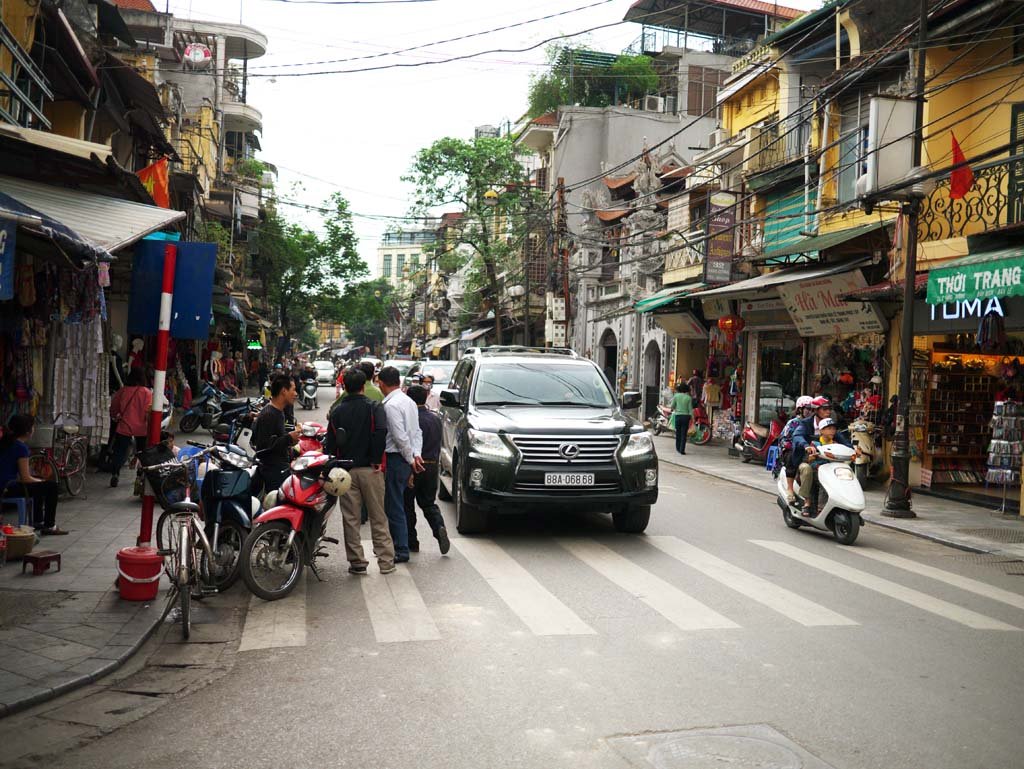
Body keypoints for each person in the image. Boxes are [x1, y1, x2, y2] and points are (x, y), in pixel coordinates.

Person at [325, 368, 395, 575]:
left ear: (345, 387)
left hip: (345, 471)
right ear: (363, 386)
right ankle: (386, 562)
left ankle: (357, 562)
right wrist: (376, 459)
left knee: (351, 518)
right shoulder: (374, 407)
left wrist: (333, 463)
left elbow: (330, 441)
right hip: (371, 469)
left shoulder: (337, 412)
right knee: (378, 517)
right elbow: (381, 431)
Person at [378, 365, 423, 563]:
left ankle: (401, 549)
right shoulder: (409, 402)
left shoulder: (391, 405)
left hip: (397, 458)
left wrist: (411, 458)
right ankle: (398, 545)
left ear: (381, 383)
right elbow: (416, 432)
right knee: (398, 504)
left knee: (394, 505)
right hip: (406, 457)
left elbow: (400, 437)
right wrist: (416, 455)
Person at [0, 415, 68, 535]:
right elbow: (25, 478)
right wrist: (40, 481)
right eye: (33, 426)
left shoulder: (5, 442)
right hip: (7, 488)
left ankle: (38, 521)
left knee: (38, 486)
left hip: (4, 485)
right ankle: (49, 525)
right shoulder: (21, 448)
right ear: (28, 431)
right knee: (51, 486)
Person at [403, 384, 450, 555]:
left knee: (407, 505)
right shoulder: (435, 418)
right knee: (428, 503)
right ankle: (439, 528)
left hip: (415, 465)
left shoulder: (411, 419)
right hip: (432, 466)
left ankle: (411, 541)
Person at [797, 417, 857, 515]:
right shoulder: (814, 444)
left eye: (833, 429)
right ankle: (812, 505)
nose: (832, 431)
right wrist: (811, 456)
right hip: (816, 470)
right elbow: (807, 459)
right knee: (824, 483)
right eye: (829, 428)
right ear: (821, 430)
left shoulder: (837, 445)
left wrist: (855, 452)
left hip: (832, 471)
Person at [252, 373, 301, 494]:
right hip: (272, 472)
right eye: (293, 390)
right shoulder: (269, 414)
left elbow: (276, 438)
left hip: (279, 468)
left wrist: (291, 439)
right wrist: (289, 438)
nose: (296, 394)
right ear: (284, 391)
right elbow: (263, 446)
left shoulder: (279, 412)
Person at [108, 369, 153, 488]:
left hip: (124, 426)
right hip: (141, 428)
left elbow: (114, 407)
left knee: (119, 451)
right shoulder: (147, 392)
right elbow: (148, 412)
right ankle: (140, 473)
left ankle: (115, 474)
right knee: (142, 452)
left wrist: (115, 416)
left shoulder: (123, 391)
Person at [780, 395, 815, 503]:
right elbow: (784, 440)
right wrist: (799, 446)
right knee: (792, 455)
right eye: (808, 409)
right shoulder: (793, 423)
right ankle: (790, 489)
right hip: (794, 450)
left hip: (811, 451)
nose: (810, 412)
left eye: (813, 409)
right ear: (800, 409)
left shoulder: (814, 423)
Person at [670, 381, 694, 455]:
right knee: (684, 434)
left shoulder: (676, 396)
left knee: (678, 433)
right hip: (686, 417)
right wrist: (693, 418)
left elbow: (672, 406)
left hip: (678, 416)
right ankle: (682, 450)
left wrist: (672, 409)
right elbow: (690, 409)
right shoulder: (689, 398)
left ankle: (678, 448)